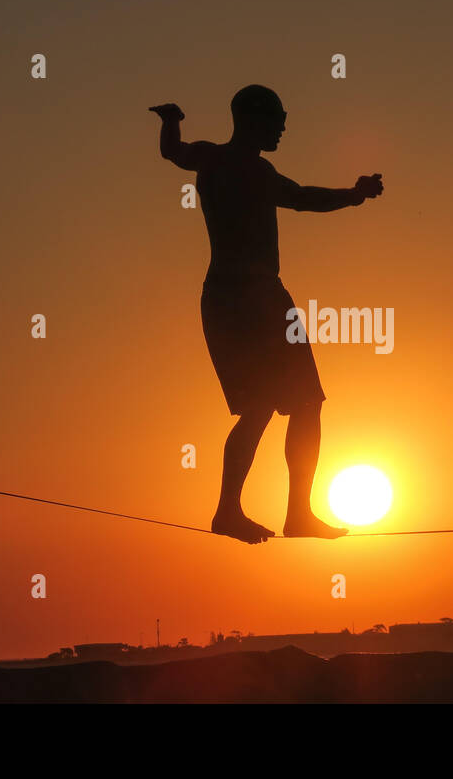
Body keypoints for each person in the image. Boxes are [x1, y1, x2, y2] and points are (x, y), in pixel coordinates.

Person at [150, 85, 383, 543]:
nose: (283, 127)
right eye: (277, 119)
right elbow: (303, 198)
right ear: (252, 119)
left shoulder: (217, 160)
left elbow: (173, 152)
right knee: (283, 405)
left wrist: (171, 119)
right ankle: (256, 512)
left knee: (289, 404)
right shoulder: (244, 167)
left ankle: (278, 513)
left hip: (240, 299)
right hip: (248, 300)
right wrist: (353, 195)